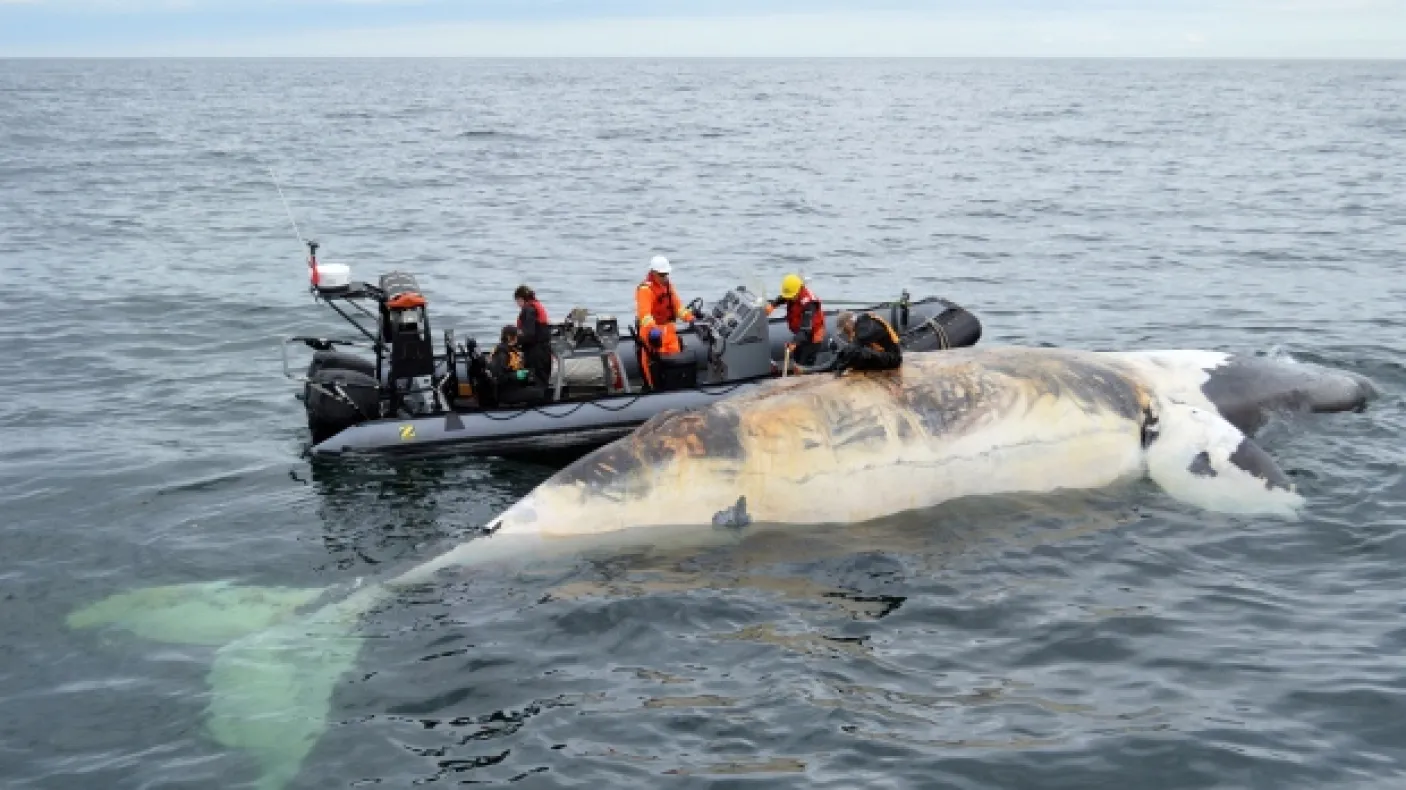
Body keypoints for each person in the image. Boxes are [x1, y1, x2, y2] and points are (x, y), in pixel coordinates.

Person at [635, 255, 695, 388]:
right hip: (653, 335)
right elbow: (644, 315)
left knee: (675, 365)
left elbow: (678, 307)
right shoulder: (645, 290)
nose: (664, 277)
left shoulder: (668, 286)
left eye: (666, 274)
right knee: (655, 367)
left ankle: (677, 387)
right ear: (653, 273)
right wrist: (653, 329)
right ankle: (654, 389)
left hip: (669, 332)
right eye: (661, 274)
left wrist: (690, 318)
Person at [766, 273, 825, 367]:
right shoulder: (793, 293)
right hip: (801, 333)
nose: (789, 298)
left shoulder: (809, 304)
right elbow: (784, 297)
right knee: (797, 355)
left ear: (799, 290)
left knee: (803, 361)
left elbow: (806, 329)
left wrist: (794, 342)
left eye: (790, 296)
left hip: (812, 335)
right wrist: (773, 305)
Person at [833, 310, 903, 374]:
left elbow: (854, 348)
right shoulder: (862, 324)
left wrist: (841, 367)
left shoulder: (867, 326)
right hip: (884, 355)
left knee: (857, 353)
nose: (845, 332)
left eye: (844, 329)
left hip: (893, 358)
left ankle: (834, 368)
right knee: (851, 354)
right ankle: (828, 367)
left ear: (848, 324)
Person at [513, 284, 553, 392]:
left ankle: (538, 404)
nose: (518, 304)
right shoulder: (535, 306)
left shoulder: (528, 310)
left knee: (537, 381)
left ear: (521, 299)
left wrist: (514, 343)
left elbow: (529, 334)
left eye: (517, 301)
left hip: (536, 353)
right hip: (544, 350)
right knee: (543, 379)